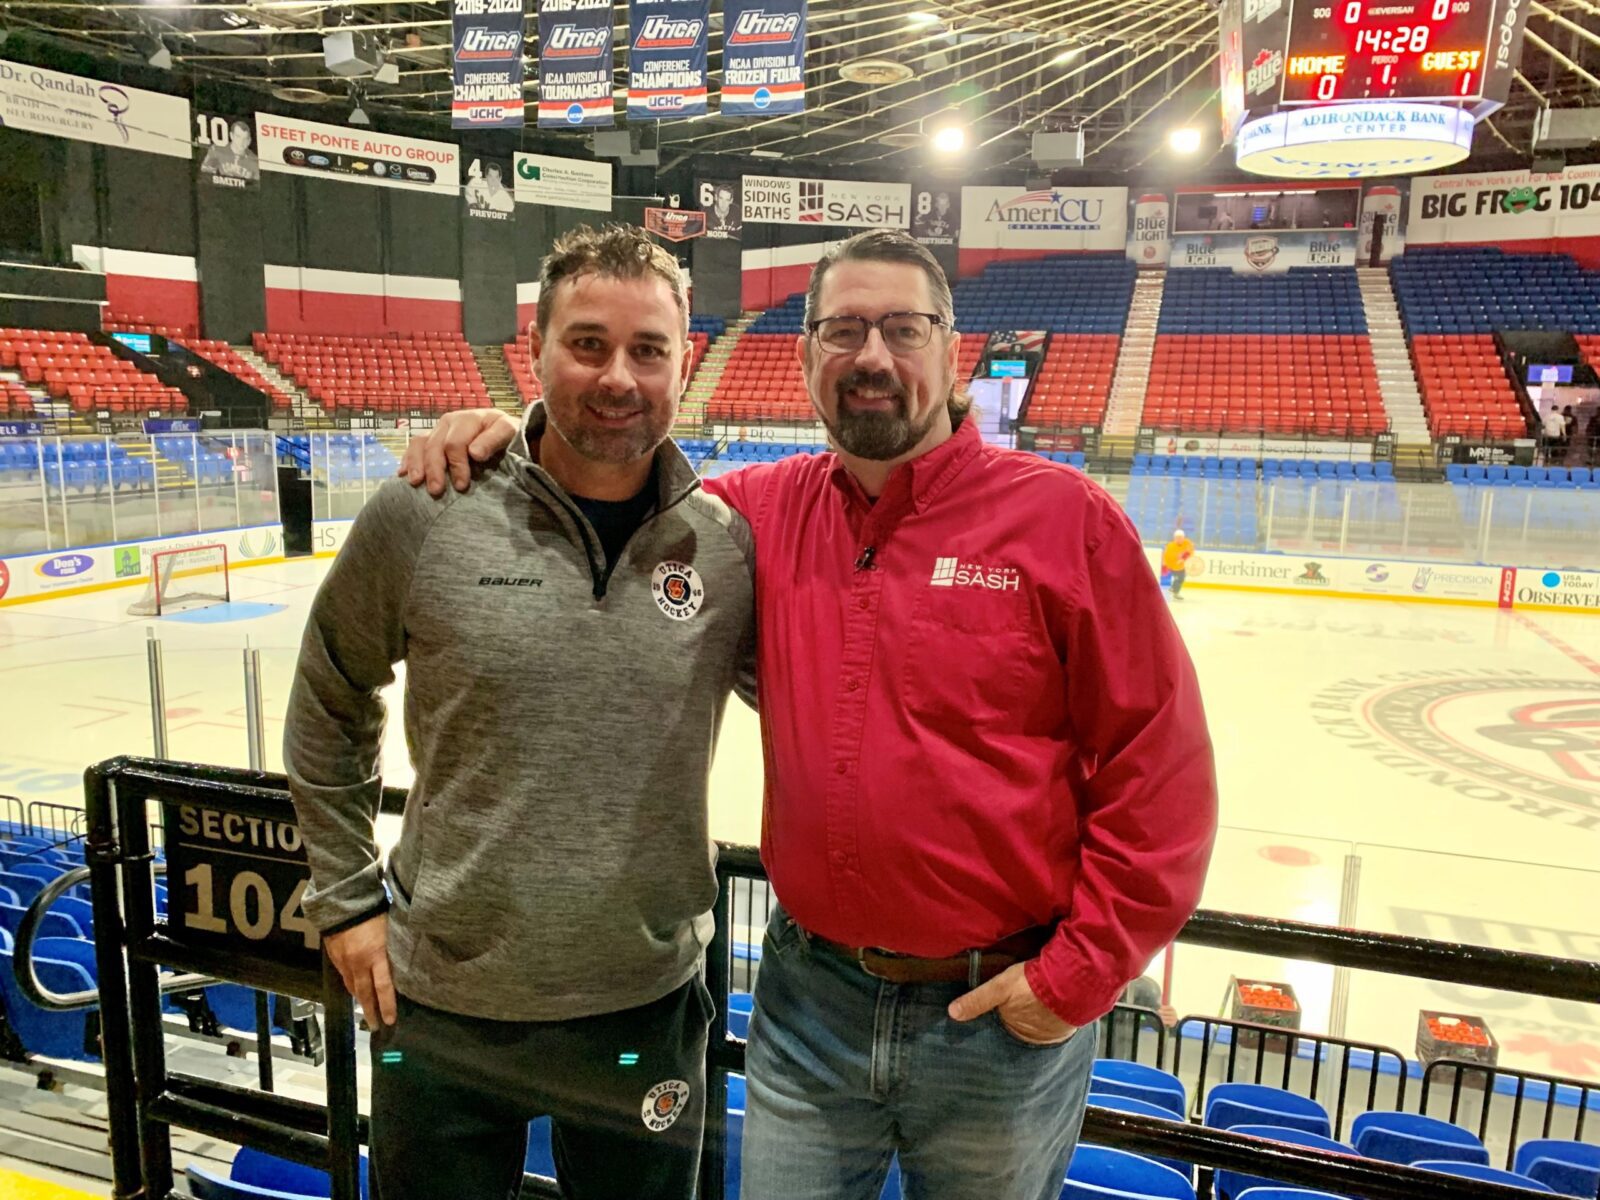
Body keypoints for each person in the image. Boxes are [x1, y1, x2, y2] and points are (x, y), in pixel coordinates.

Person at [402, 229, 1217, 1199]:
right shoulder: (751, 516)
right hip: (807, 1009)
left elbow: (1161, 770)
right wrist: (514, 436)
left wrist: (1078, 974)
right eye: (843, 330)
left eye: (903, 329)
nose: (872, 356)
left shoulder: (1066, 522)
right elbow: (610, 482)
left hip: (996, 1021)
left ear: (952, 350)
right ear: (804, 356)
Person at [284, 224, 756, 1200]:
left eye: (648, 349)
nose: (618, 376)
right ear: (533, 351)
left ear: (684, 365)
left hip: (645, 1003)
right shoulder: (425, 510)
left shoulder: (726, 548)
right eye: (587, 343)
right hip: (442, 1006)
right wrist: (346, 899)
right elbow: (330, 692)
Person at [200, 118, 259, 184]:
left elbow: (256, 185)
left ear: (249, 141)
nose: (241, 142)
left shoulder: (254, 161)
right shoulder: (217, 150)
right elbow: (205, 175)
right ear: (231, 136)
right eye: (238, 137)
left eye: (245, 139)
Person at [1163, 527, 1196, 600]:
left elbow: (1189, 551)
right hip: (1172, 565)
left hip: (1182, 564)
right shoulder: (1170, 546)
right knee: (1180, 577)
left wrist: (1183, 559)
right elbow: (1167, 557)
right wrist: (1167, 565)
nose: (1179, 539)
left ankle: (1174, 590)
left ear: (1184, 537)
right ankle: (1174, 590)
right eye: (1177, 538)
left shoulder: (1187, 542)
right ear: (1174, 538)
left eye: (1181, 537)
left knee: (1181, 578)